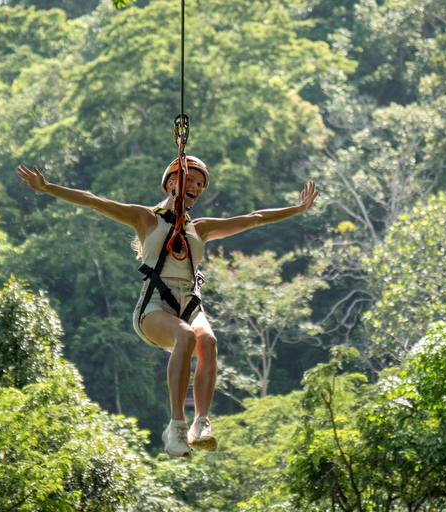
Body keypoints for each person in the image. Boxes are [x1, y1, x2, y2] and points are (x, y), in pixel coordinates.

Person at [17, 157, 318, 458]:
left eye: (201, 186)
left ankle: (201, 423)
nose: (197, 189)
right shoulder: (145, 218)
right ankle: (176, 425)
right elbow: (95, 201)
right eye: (192, 181)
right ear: (172, 183)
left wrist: (298, 209)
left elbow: (255, 217)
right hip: (154, 306)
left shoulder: (201, 228)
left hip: (189, 302)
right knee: (186, 337)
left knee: (208, 341)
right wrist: (47, 188)